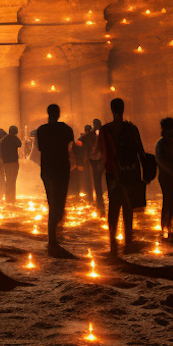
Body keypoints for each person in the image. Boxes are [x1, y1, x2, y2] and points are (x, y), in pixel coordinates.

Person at [101, 98, 146, 255]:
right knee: (128, 208)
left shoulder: (105, 130)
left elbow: (100, 153)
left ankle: (113, 242)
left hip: (112, 173)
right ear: (123, 109)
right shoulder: (131, 128)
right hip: (131, 173)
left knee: (114, 207)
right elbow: (141, 150)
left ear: (112, 109)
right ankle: (128, 243)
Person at [35, 103, 77, 259]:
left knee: (52, 203)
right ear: (58, 114)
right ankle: (53, 241)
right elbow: (70, 149)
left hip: (47, 170)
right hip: (61, 169)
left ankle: (54, 236)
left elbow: (40, 149)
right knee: (59, 203)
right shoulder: (66, 129)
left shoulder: (41, 130)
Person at [155, 117, 173, 240]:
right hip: (165, 177)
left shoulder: (171, 144)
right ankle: (164, 228)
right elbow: (162, 162)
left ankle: (169, 226)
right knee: (168, 201)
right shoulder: (161, 144)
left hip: (172, 176)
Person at [84, 120, 104, 215]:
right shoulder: (90, 136)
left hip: (103, 160)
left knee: (100, 181)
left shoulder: (104, 134)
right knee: (96, 181)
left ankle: (100, 201)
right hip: (94, 161)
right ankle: (99, 202)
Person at [0, 126, 22, 205]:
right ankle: (12, 197)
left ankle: (7, 196)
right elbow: (20, 144)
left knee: (8, 179)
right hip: (13, 161)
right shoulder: (14, 138)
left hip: (6, 162)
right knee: (13, 179)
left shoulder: (4, 139)